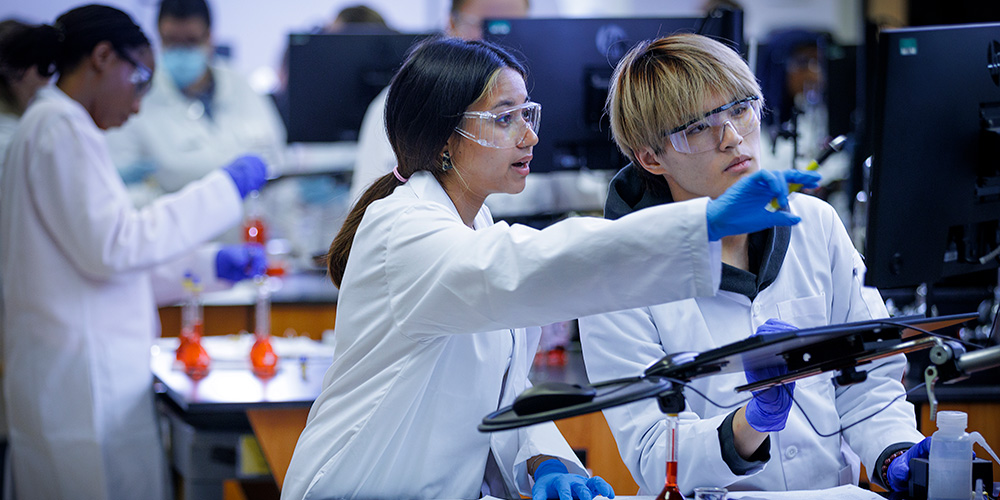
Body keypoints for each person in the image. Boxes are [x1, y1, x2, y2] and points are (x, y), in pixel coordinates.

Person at [280, 35, 819, 500]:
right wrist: (702, 225)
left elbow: (500, 393)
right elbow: (526, 267)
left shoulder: (479, 227)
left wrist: (543, 456)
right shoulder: (404, 230)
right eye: (505, 118)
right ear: (446, 138)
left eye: (527, 114)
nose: (530, 136)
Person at [578, 34, 927, 497]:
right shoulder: (615, 273)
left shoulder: (815, 225)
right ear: (650, 157)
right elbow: (649, 448)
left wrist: (895, 452)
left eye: (741, 108)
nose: (732, 137)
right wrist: (748, 424)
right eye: (698, 127)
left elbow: (868, 381)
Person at [0, 5, 269, 499]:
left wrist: (207, 265)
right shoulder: (60, 128)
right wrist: (222, 189)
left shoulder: (55, 127)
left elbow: (99, 263)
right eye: (140, 79)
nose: (140, 104)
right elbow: (115, 248)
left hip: (77, 378)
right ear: (103, 57)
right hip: (80, 389)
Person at [104, 0, 286, 206]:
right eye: (171, 41)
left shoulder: (241, 86)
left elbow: (278, 159)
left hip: (251, 230)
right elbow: (123, 195)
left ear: (210, 38)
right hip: (177, 233)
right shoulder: (136, 99)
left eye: (191, 41)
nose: (180, 51)